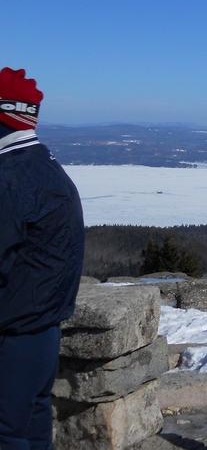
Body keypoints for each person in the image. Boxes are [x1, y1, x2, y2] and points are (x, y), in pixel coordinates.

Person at [0, 67, 84, 450]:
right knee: (33, 421)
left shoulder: (11, 176)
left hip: (14, 331)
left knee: (6, 432)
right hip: (44, 328)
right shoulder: (45, 164)